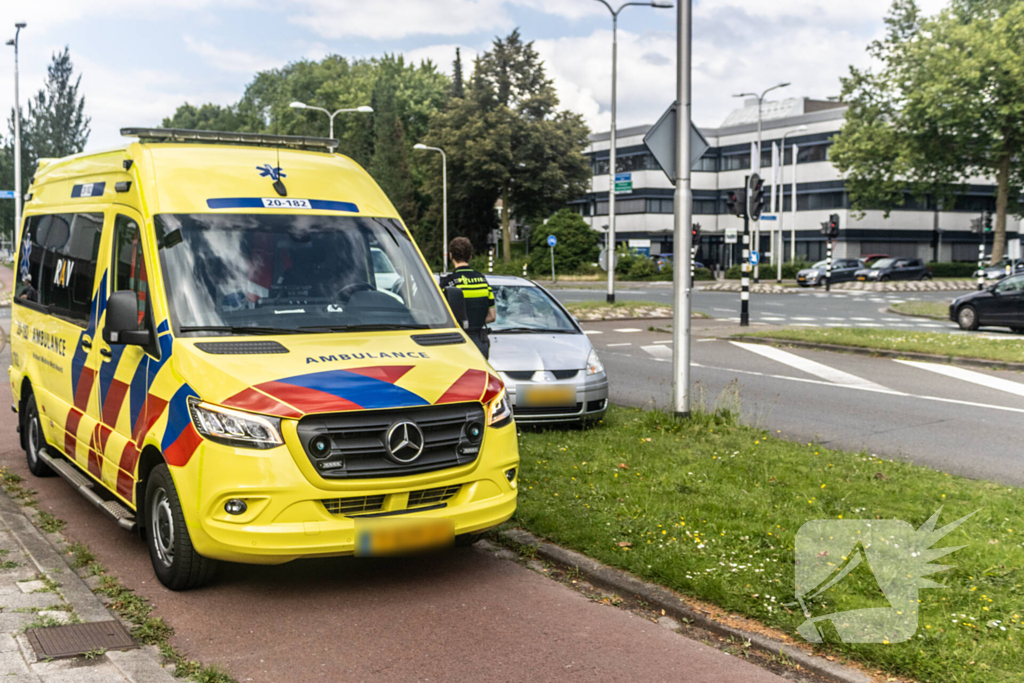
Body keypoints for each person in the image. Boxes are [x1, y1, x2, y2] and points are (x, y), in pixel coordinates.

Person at [440, 237, 495, 359]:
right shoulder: (482, 281)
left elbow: (439, 317)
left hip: (456, 341)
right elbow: (492, 316)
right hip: (480, 341)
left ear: (450, 256)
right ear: (470, 256)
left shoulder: (447, 283)